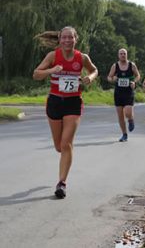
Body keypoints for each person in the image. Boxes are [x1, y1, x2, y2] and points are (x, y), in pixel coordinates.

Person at [33, 26, 98, 199]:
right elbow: (36, 74)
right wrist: (51, 71)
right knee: (58, 146)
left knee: (66, 143)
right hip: (54, 101)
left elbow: (94, 70)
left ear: (76, 39)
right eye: (64, 38)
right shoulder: (53, 56)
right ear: (60, 40)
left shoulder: (82, 57)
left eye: (71, 37)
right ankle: (64, 161)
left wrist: (90, 78)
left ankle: (62, 183)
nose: (67, 40)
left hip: (73, 103)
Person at [107, 48, 140, 142]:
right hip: (118, 93)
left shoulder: (131, 65)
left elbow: (138, 75)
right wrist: (113, 78)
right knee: (120, 115)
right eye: (121, 54)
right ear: (118, 55)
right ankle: (124, 134)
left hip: (129, 92)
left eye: (124, 53)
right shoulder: (115, 66)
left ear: (127, 55)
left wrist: (134, 82)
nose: (122, 55)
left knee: (128, 113)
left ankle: (130, 120)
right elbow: (109, 77)